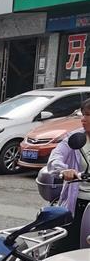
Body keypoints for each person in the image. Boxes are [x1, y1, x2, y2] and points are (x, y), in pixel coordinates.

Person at [40, 98, 90, 251]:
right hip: (75, 204)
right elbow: (55, 157)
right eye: (83, 114)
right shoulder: (74, 138)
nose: (83, 119)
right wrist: (63, 170)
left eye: (88, 115)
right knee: (58, 251)